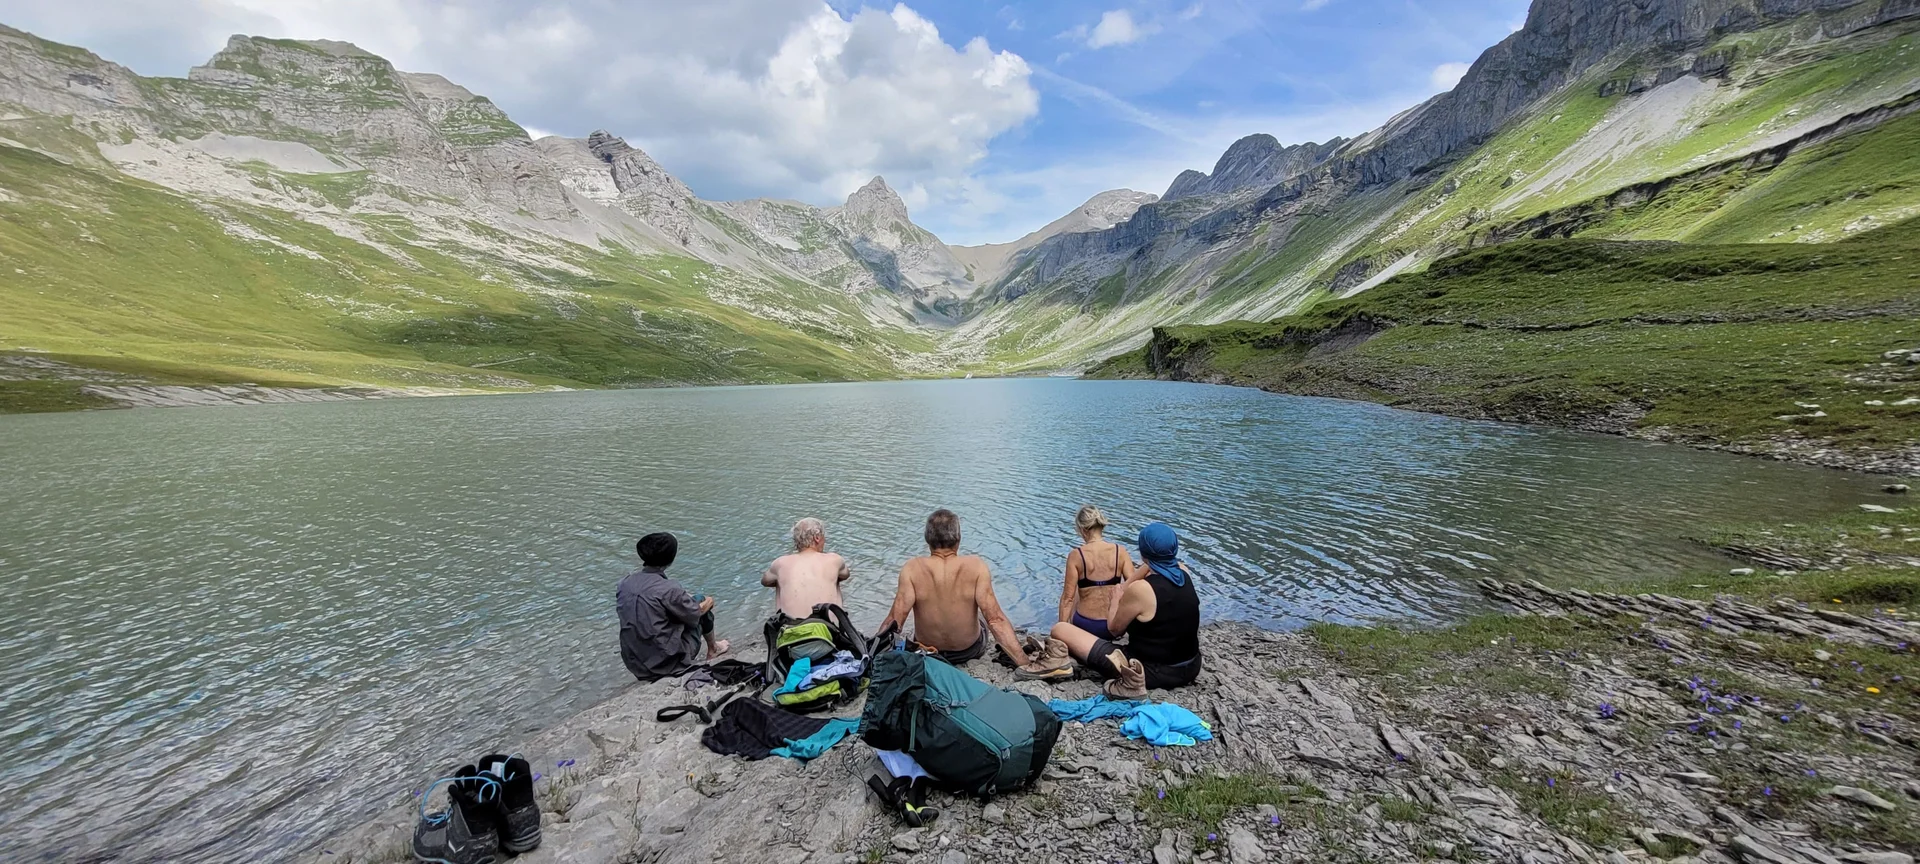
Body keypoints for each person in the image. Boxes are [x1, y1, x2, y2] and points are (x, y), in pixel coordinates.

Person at [1022, 521, 1200, 697]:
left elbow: (1114, 629)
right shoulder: (1184, 572)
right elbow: (1155, 564)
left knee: (1059, 629)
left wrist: (1116, 598)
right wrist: (1127, 583)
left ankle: (1059, 660)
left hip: (1149, 673)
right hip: (1191, 667)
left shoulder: (1142, 590)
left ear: (1143, 553)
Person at [877, 509, 1032, 668]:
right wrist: (1024, 663)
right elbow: (996, 620)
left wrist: (874, 655)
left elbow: (894, 621)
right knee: (984, 614)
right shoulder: (976, 566)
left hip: (928, 651)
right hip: (968, 651)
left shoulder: (912, 568)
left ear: (927, 539)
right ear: (958, 538)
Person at [616, 532, 730, 682]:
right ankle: (713, 649)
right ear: (671, 559)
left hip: (635, 663)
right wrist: (709, 600)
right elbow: (697, 611)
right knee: (701, 602)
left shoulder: (625, 584)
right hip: (668, 663)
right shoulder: (669, 589)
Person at [1053, 505, 1134, 642]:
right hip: (1114, 626)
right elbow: (1133, 586)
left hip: (1087, 625)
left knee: (1076, 589)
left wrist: (1062, 632)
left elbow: (1068, 599)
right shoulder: (1120, 551)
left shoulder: (1076, 555)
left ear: (1083, 530)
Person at [761, 517, 852, 619]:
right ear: (817, 538)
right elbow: (846, 575)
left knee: (778, 581)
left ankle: (788, 618)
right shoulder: (834, 559)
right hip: (825, 631)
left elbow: (765, 581)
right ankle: (835, 622)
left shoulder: (780, 563)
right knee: (836, 579)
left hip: (790, 631)